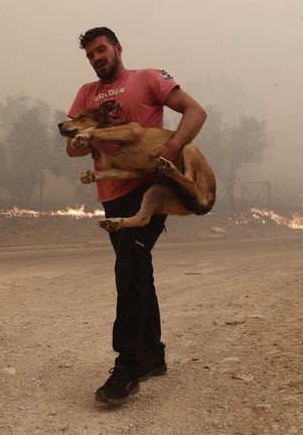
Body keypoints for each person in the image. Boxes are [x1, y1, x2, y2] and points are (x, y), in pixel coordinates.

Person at [64, 27, 207, 405]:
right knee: (138, 268)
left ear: (117, 48)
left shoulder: (147, 79)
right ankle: (152, 356)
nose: (97, 58)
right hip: (112, 195)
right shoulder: (85, 94)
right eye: (91, 55)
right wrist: (91, 136)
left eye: (101, 50)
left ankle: (126, 367)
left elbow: (196, 111)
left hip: (149, 190)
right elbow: (72, 150)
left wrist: (173, 147)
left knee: (128, 266)